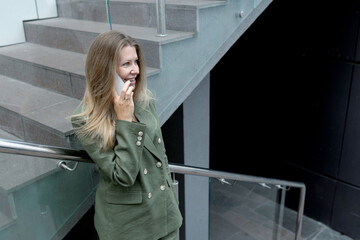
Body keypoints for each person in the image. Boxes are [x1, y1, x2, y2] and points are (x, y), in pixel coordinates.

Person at [70, 30, 182, 240]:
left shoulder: (144, 99)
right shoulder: (86, 119)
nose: (135, 70)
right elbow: (123, 176)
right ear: (105, 70)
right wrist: (124, 120)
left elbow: (161, 155)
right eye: (126, 64)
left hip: (165, 214)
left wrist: (171, 200)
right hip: (128, 226)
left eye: (136, 62)